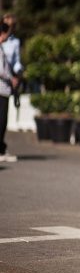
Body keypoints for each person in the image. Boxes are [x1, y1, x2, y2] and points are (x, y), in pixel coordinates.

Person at [0, 14, 23, 162]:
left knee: (3, 118)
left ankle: (1, 148)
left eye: (10, 26)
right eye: (5, 25)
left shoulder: (14, 42)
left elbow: (16, 62)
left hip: (5, 86)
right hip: (5, 79)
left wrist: (18, 72)